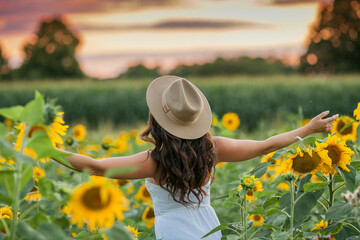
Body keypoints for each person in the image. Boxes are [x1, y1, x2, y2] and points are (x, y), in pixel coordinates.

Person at [53, 75, 339, 240]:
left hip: (173, 232)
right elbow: (265, 146)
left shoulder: (154, 161)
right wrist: (308, 129)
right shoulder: (214, 149)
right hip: (209, 229)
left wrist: (45, 149)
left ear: (157, 119)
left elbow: (95, 167)